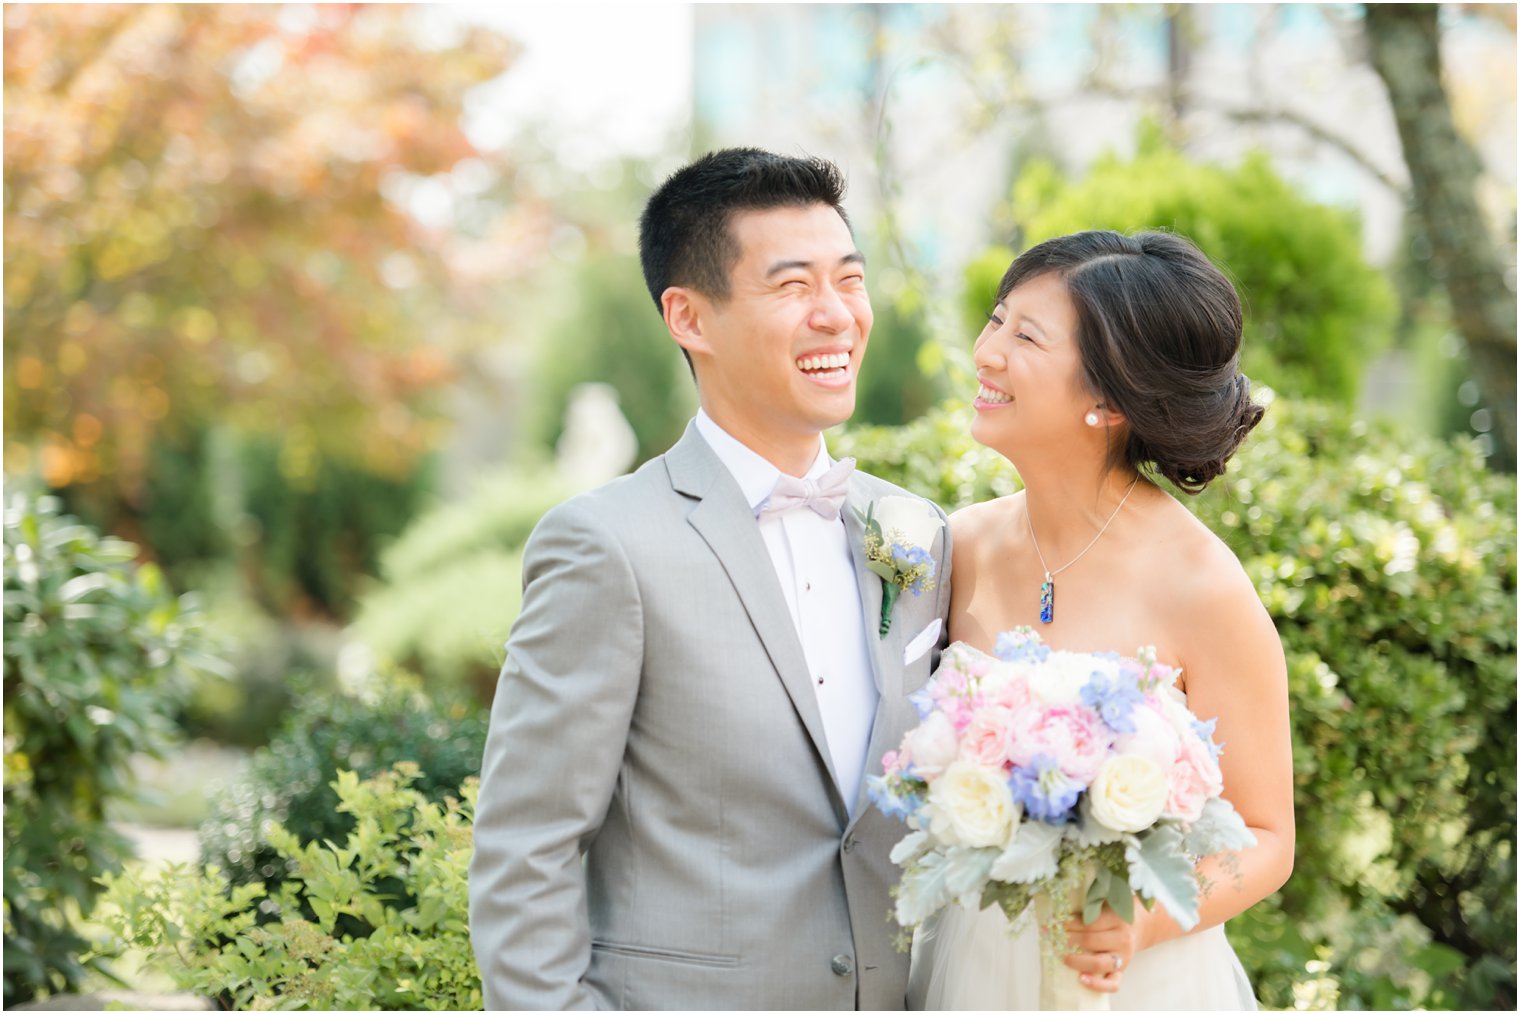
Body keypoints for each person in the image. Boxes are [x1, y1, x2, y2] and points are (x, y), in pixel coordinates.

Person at [469, 148, 953, 1011]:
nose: (836, 315)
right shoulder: (607, 546)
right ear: (689, 317)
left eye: (849, 279)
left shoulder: (913, 532)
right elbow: (527, 846)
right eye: (793, 286)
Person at [908, 230, 1294, 1010]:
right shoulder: (962, 545)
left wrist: (1141, 920)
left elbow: (1268, 836)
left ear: (1109, 400)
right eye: (995, 320)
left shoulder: (1202, 584)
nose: (986, 352)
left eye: (1026, 336)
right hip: (969, 964)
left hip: (1128, 981)